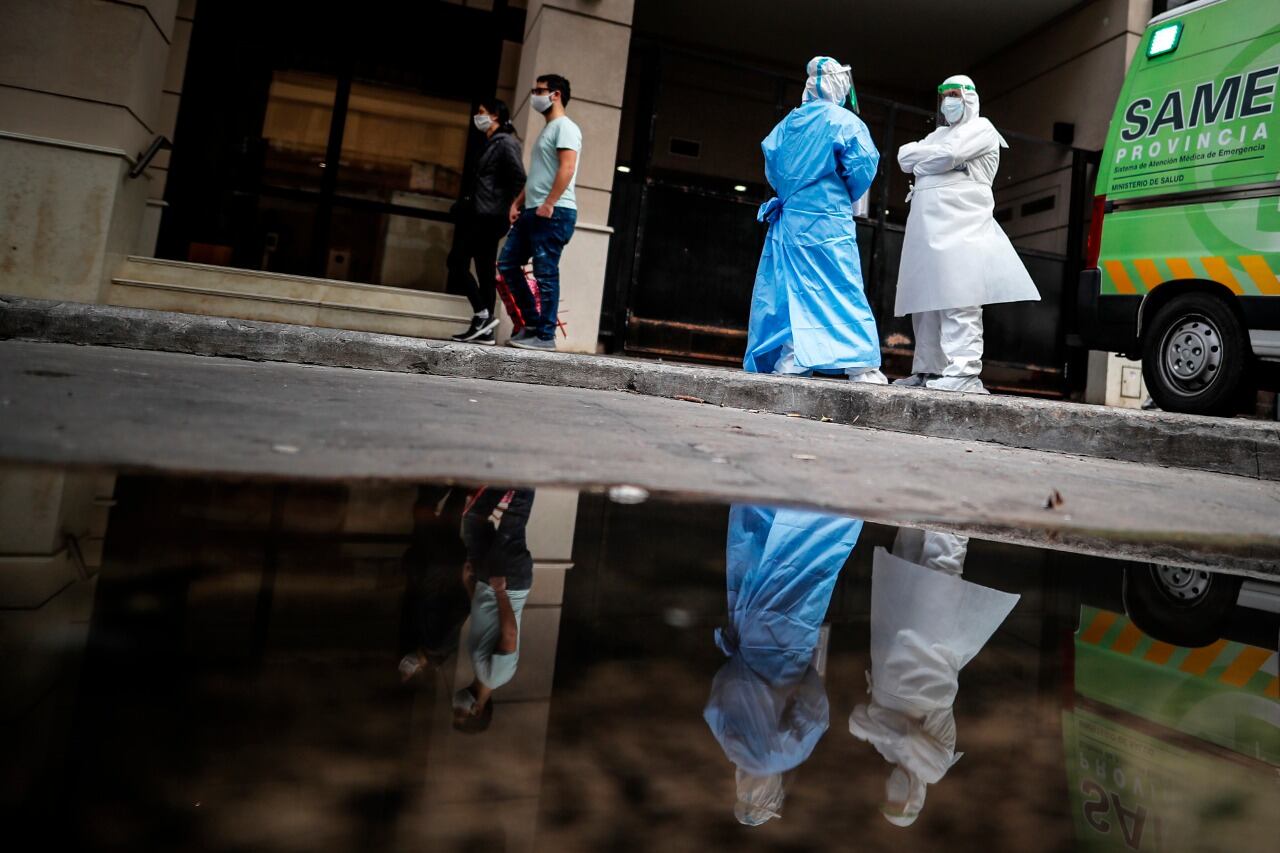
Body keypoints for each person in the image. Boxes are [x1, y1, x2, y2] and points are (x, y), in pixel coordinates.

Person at [847, 527, 1019, 826]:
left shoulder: (887, 752)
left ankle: (923, 505)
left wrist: (876, 726)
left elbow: (859, 718)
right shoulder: (935, 769)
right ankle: (954, 508)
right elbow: (901, 734)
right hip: (930, 658)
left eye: (887, 800)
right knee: (942, 572)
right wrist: (877, 728)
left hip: (895, 649)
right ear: (914, 799)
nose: (891, 792)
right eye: (898, 802)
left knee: (908, 557)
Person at [704, 505, 864, 825]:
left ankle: (820, 507)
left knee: (808, 566)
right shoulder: (730, 745)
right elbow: (716, 699)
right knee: (759, 558)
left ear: (770, 791)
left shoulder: (783, 756)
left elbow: (815, 713)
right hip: (748, 632)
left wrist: (800, 677)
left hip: (791, 639)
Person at [894, 74, 1040, 393]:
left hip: (962, 226)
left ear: (969, 97)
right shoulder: (939, 134)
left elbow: (949, 155)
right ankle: (928, 370)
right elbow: (904, 157)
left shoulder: (982, 129)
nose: (948, 101)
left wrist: (928, 161)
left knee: (959, 298)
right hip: (927, 228)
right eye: (944, 94)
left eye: (954, 94)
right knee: (926, 301)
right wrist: (936, 160)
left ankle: (964, 372)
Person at [745, 57, 886, 384]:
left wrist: (796, 193)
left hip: (791, 222)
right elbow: (862, 167)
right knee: (840, 287)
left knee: (794, 292)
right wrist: (837, 193)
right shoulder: (845, 122)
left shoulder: (787, 124)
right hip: (828, 221)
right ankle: (859, 365)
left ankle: (794, 358)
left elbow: (773, 169)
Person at [498, 74, 581, 351]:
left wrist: (550, 203)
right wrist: (517, 203)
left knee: (546, 273)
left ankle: (545, 337)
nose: (534, 95)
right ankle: (533, 325)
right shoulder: (548, 130)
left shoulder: (565, 127)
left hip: (554, 212)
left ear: (556, 95)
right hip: (533, 211)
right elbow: (537, 175)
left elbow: (567, 167)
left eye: (539, 90)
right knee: (507, 263)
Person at [452, 488, 536, 734]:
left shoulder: (481, 672)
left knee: (473, 519)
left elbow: (484, 618)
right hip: (507, 582)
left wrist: (468, 584)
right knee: (514, 519)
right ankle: (526, 477)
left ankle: (505, 481)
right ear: (476, 710)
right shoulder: (495, 677)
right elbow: (510, 634)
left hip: (487, 581)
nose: (455, 706)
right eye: (459, 712)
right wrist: (501, 591)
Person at [449, 99, 527, 346]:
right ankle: (485, 331)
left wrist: (511, 208)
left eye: (481, 112)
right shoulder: (493, 142)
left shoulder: (505, 143)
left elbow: (519, 178)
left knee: (456, 262)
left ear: (494, 116)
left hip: (488, 217)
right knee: (484, 271)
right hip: (482, 214)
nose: (477, 116)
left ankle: (483, 315)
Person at [397, 486, 473, 683]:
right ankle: (456, 480)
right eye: (407, 671)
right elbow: (461, 611)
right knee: (425, 509)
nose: (405, 665)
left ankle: (460, 482)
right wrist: (464, 580)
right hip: (440, 565)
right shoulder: (437, 644)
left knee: (449, 513)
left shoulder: (429, 643)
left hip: (443, 564)